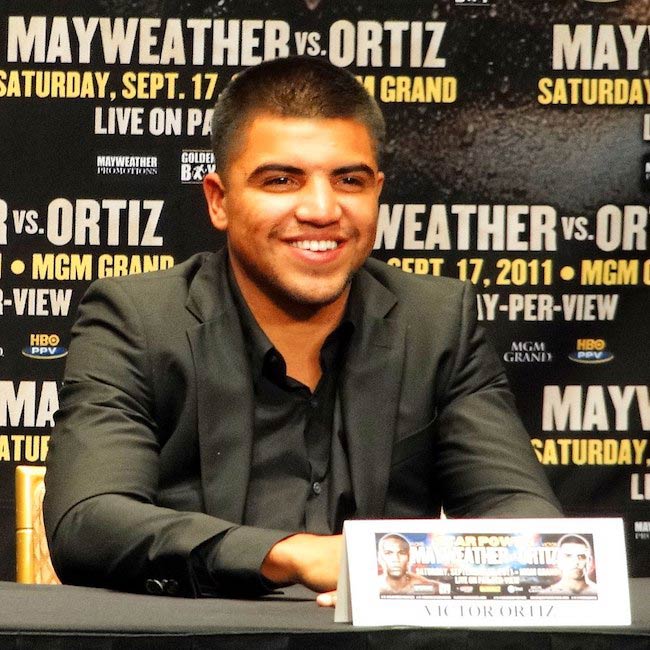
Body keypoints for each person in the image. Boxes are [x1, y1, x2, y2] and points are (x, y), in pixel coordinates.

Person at [43, 56, 561, 604]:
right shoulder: (139, 319)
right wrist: (289, 554)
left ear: (377, 192)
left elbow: (526, 525)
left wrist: (411, 573)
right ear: (219, 200)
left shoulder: (436, 322)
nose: (321, 208)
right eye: (282, 179)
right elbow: (88, 522)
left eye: (349, 180)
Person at [377, 534, 442, 595]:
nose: (396, 559)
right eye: (388, 553)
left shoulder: (426, 585)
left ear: (409, 557)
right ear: (380, 557)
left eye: (401, 553)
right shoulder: (373, 586)